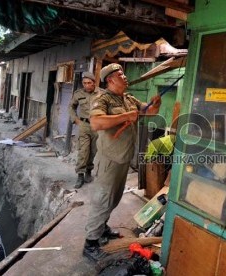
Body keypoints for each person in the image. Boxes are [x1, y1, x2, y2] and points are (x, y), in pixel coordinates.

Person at [82, 63, 162, 262]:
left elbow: (148, 111)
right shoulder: (103, 99)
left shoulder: (128, 98)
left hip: (123, 158)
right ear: (110, 80)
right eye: (121, 74)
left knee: (114, 198)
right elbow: (96, 123)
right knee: (103, 200)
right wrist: (125, 116)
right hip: (109, 159)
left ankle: (102, 229)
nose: (125, 77)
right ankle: (90, 243)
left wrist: (156, 104)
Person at [68, 72, 102, 189]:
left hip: (97, 126)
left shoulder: (102, 93)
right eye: (84, 83)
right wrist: (75, 119)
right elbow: (71, 107)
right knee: (83, 150)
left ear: (94, 83)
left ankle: (88, 171)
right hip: (84, 125)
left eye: (89, 83)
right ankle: (80, 175)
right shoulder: (78, 94)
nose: (87, 85)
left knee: (93, 150)